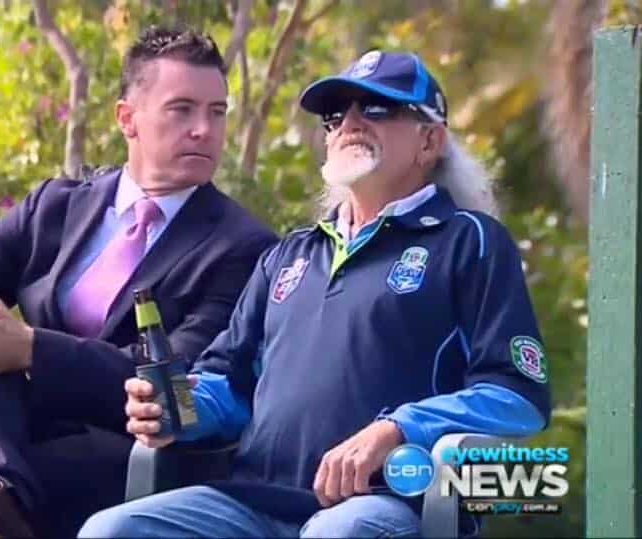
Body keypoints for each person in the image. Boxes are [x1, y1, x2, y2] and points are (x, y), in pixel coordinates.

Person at [80, 50, 552, 538]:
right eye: (336, 114)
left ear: (429, 140)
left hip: (389, 502)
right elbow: (231, 384)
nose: (349, 123)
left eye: (376, 109)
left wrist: (399, 429)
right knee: (111, 530)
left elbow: (518, 397)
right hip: (257, 501)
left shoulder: (469, 241)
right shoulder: (288, 256)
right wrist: (179, 407)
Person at [0, 25, 278, 538]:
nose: (204, 129)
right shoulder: (55, 207)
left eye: (217, 112)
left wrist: (29, 347)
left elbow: (180, 383)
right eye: (182, 109)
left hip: (130, 452)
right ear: (127, 118)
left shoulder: (244, 247)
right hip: (11, 433)